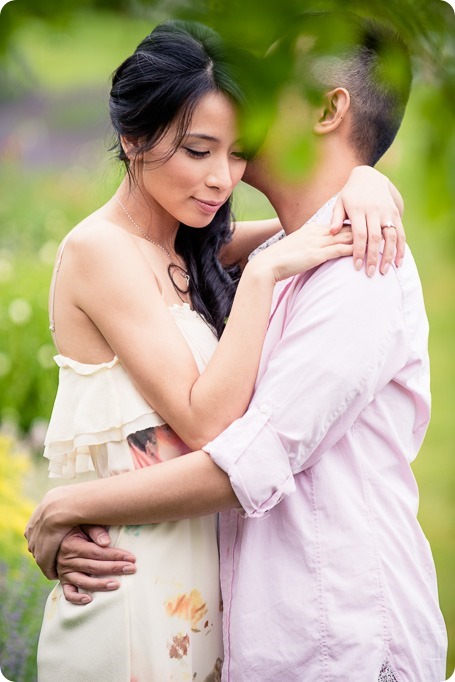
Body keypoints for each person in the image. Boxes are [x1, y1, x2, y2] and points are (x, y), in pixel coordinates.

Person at [24, 14, 425, 682]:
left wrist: (65, 507)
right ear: (134, 139)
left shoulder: (358, 263)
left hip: (336, 640)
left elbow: (243, 457)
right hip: (183, 607)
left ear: (329, 108)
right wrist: (362, 183)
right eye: (198, 149)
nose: (220, 174)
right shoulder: (276, 252)